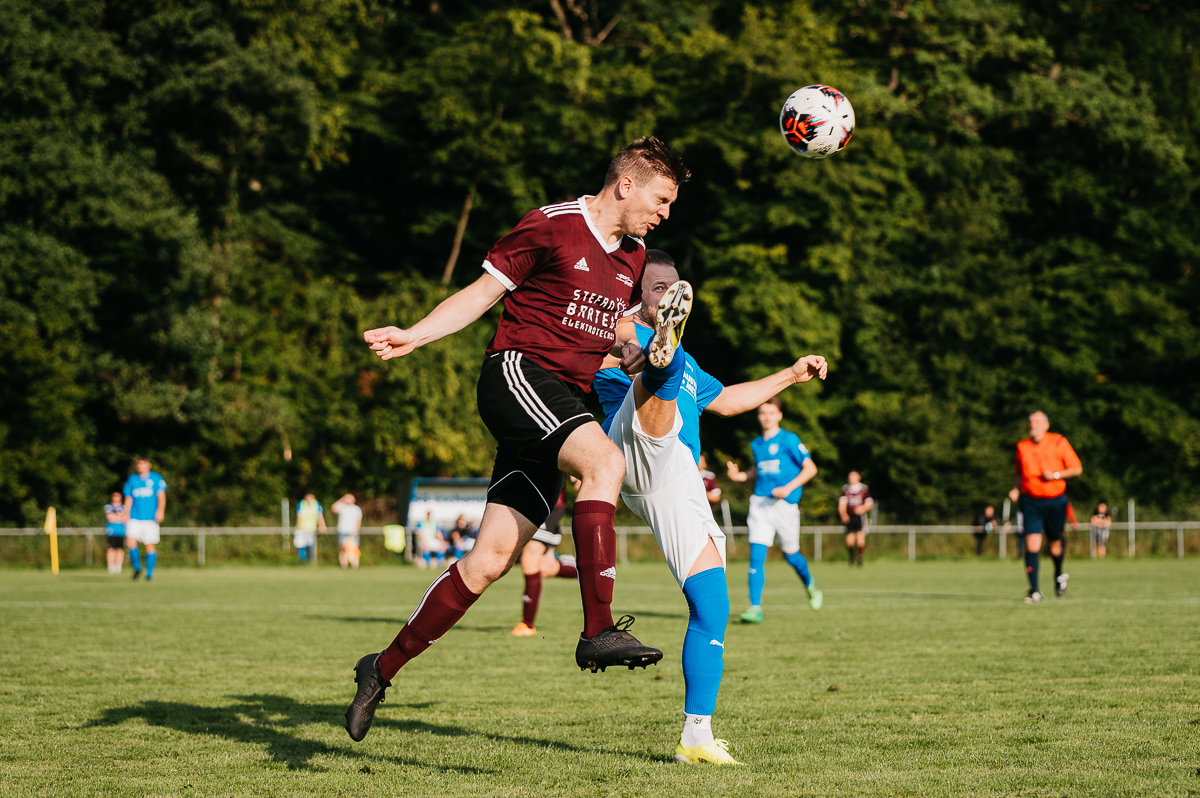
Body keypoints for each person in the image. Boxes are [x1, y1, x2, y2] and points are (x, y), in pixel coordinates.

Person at [346, 137, 690, 742]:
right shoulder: (552, 226)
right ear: (626, 184)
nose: (664, 215)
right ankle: (597, 631)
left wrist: (649, 350)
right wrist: (414, 335)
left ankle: (380, 668)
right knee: (604, 463)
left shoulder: (632, 258)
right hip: (516, 376)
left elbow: (606, 335)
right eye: (661, 200)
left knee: (488, 563)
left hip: (559, 402)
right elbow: (481, 296)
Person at [594, 251, 828, 764]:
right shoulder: (616, 327)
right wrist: (636, 339)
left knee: (713, 606)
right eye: (657, 289)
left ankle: (696, 736)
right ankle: (662, 365)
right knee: (659, 389)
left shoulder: (692, 362)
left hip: (677, 481)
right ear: (635, 295)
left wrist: (790, 374)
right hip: (630, 441)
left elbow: (729, 401)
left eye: (674, 290)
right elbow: (614, 330)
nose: (668, 295)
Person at [727, 397, 824, 622]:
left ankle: (810, 584)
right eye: (762, 413)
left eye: (771, 413)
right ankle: (755, 608)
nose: (766, 417)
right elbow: (758, 471)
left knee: (791, 556)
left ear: (779, 415)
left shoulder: (789, 440)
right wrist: (739, 476)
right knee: (756, 555)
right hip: (760, 504)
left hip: (785, 506)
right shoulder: (756, 444)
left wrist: (787, 488)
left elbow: (810, 469)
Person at [1008, 411, 1082, 602]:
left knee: (1055, 545)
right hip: (1031, 501)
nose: (1032, 424)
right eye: (1030, 421)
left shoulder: (1058, 441)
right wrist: (1016, 489)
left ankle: (1059, 573)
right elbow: (1018, 472)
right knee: (1032, 544)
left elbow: (1077, 468)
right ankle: (1034, 590)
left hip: (1055, 500)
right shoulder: (1021, 446)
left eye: (1037, 421)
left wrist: (1056, 475)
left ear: (1046, 425)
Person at [512, 490, 580, 636]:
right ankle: (592, 570)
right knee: (546, 567)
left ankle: (527, 625)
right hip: (533, 502)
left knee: (529, 559)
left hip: (547, 501)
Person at [123, 457, 166, 581]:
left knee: (149, 545)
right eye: (139, 465)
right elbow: (129, 498)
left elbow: (161, 496)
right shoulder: (132, 479)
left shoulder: (156, 478)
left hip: (150, 518)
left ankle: (149, 573)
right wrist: (125, 513)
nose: (141, 467)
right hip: (134, 517)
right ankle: (137, 567)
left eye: (144, 464)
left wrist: (161, 511)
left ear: (149, 465)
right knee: (130, 542)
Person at [838, 471, 873, 566]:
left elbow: (870, 503)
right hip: (849, 516)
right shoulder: (845, 489)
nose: (851, 478)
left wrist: (862, 508)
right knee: (849, 540)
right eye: (850, 476)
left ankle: (860, 556)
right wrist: (843, 514)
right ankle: (851, 556)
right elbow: (842, 503)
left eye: (853, 476)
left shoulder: (864, 489)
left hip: (860, 516)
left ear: (858, 477)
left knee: (860, 536)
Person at [333, 494, 363, 569]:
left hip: (353, 531)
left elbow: (359, 520)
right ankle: (344, 565)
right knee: (342, 548)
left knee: (354, 548)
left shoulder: (356, 509)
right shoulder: (342, 507)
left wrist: (356, 530)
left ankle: (355, 565)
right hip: (342, 530)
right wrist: (341, 500)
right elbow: (333, 508)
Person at [294, 493, 326, 563]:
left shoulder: (316, 504)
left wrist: (322, 525)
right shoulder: (301, 503)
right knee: (301, 545)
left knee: (310, 545)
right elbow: (299, 515)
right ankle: (302, 561)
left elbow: (320, 516)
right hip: (301, 528)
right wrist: (300, 526)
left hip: (311, 528)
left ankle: (311, 561)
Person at [104, 491, 126, 575]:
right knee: (111, 548)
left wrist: (117, 517)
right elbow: (109, 517)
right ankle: (111, 566)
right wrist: (120, 517)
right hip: (111, 531)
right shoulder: (108, 506)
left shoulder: (124, 507)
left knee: (120, 549)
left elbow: (125, 517)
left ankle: (118, 566)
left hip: (121, 531)